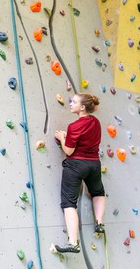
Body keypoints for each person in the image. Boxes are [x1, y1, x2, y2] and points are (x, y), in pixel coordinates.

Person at [53, 93, 106, 253]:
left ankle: (73, 242)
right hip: (94, 164)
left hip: (76, 165)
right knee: (98, 191)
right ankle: (99, 223)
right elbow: (86, 140)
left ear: (82, 107)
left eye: (74, 102)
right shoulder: (96, 122)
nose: (70, 103)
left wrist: (62, 138)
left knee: (69, 203)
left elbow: (69, 150)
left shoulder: (73, 126)